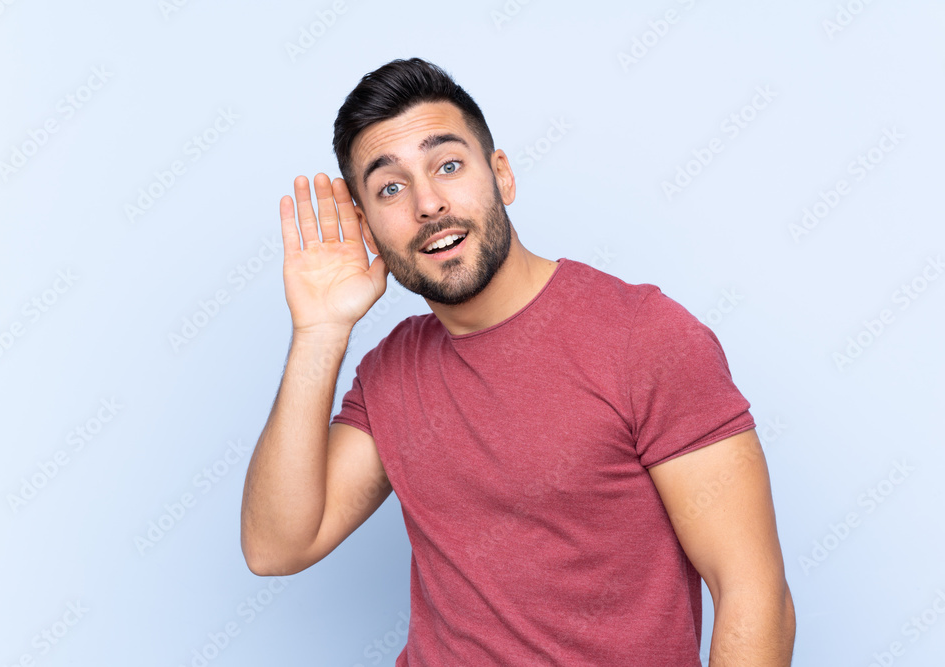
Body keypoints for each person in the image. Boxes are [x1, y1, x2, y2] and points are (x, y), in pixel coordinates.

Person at [240, 57, 796, 666]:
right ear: (368, 229)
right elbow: (276, 547)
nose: (428, 203)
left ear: (501, 175)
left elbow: (752, 591)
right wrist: (320, 331)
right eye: (390, 188)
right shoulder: (390, 370)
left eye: (448, 165)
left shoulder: (645, 337)